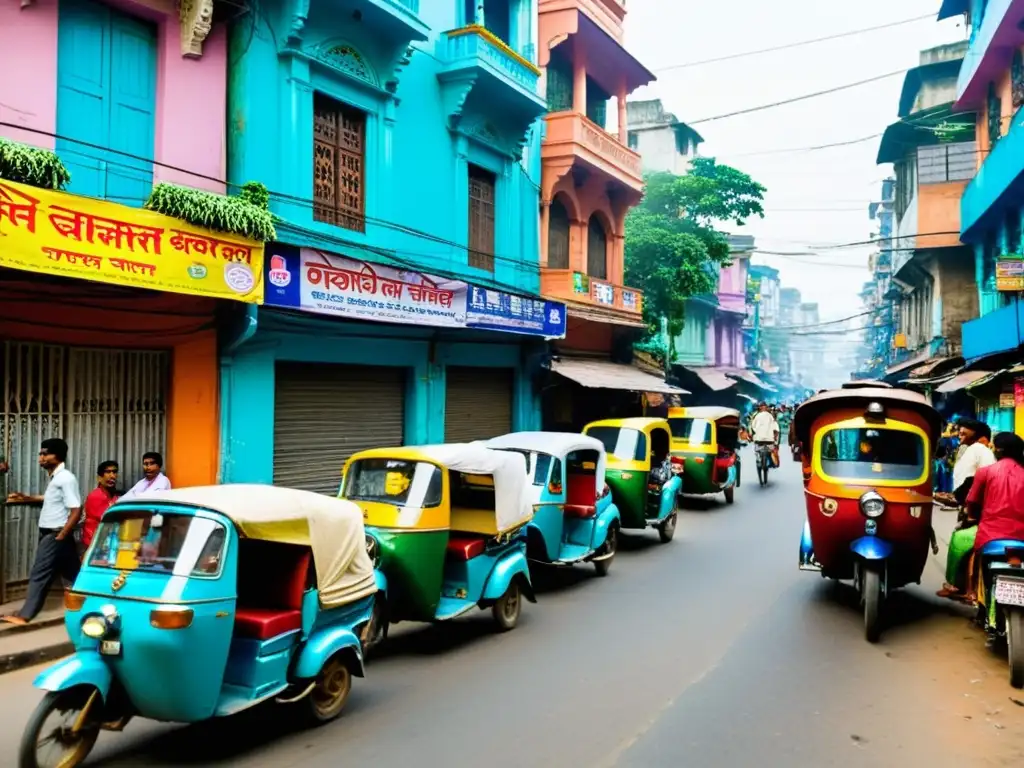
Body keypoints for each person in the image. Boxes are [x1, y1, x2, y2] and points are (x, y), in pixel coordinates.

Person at [2, 438, 82, 625]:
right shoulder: (57, 478)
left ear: (59, 456)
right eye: (40, 453)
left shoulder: (66, 478)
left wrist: (61, 535)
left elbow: (76, 509)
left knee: (40, 573)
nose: (41, 457)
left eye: (46, 454)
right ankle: (94, 601)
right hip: (56, 535)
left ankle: (24, 615)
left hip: (55, 534)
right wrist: (27, 497)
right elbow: (52, 498)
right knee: (74, 575)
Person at [938, 433, 1024, 601]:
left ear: (999, 450)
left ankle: (970, 591)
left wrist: (971, 517)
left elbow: (971, 500)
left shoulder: (985, 472)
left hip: (991, 533)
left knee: (968, 547)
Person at [82, 461, 120, 551]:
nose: (112, 476)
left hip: (108, 545)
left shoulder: (115, 496)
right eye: (108, 472)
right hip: (94, 546)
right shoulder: (96, 496)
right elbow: (110, 520)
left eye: (114, 472)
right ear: (99, 478)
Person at [750, 402, 780, 469]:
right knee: (772, 450)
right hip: (770, 440)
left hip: (759, 440)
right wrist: (775, 437)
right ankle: (772, 462)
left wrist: (755, 434)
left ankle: (758, 459)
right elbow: (776, 428)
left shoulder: (756, 415)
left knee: (757, 449)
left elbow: (753, 427)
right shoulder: (770, 416)